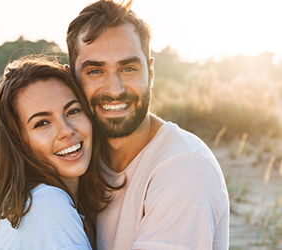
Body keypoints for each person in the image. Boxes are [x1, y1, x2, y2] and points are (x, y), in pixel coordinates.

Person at [66, 0, 230, 249]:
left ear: (150, 73)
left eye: (128, 68)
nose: (114, 90)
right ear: (71, 80)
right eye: (95, 71)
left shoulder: (185, 170)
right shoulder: (75, 158)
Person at [0, 56, 121, 250]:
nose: (66, 130)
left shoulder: (33, 202)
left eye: (73, 111)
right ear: (19, 142)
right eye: (42, 123)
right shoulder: (46, 204)